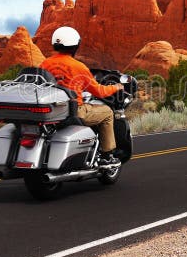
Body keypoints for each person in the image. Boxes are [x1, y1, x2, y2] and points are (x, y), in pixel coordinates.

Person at [40, 26, 124, 166]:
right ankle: (107, 155)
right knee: (107, 112)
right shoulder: (79, 67)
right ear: (75, 46)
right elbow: (99, 92)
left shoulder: (44, 64)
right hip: (74, 111)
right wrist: (115, 87)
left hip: (52, 111)